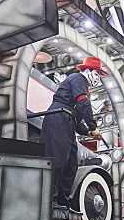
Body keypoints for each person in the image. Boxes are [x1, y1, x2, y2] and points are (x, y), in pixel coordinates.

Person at [39, 57, 105, 210]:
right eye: (97, 74)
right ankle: (51, 198)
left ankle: (62, 199)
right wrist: (92, 126)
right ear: (87, 71)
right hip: (59, 117)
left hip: (66, 120)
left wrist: (89, 131)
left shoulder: (80, 85)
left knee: (71, 164)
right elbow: (83, 103)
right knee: (58, 159)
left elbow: (76, 120)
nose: (98, 79)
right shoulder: (78, 79)